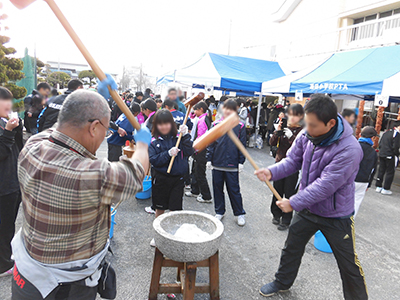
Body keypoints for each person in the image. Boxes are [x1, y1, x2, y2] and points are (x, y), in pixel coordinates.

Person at [13, 89, 151, 300]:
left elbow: (57, 130)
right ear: (94, 127)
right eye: (106, 130)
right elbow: (136, 173)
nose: (106, 135)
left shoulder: (32, 146)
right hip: (65, 286)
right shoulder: (90, 175)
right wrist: (142, 144)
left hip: (27, 274)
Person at [255, 94, 367, 299]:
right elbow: (292, 161)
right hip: (308, 209)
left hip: (336, 215)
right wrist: (271, 171)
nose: (308, 129)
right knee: (291, 248)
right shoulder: (307, 134)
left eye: (313, 125)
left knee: (348, 263)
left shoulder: (350, 148)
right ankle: (282, 282)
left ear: (331, 123)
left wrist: (294, 202)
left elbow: (326, 186)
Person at [148, 109, 193, 246]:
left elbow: (190, 151)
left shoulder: (178, 138)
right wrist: (167, 154)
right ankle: (159, 236)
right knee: (160, 209)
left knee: (174, 210)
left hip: (177, 180)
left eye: (166, 123)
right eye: (160, 124)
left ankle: (173, 236)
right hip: (160, 180)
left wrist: (185, 136)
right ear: (156, 126)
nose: (164, 127)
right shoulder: (154, 142)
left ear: (171, 124)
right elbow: (154, 160)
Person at [207, 100, 246, 226]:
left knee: (234, 190)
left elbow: (242, 146)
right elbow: (211, 143)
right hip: (217, 162)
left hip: (232, 164)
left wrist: (241, 161)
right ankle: (219, 211)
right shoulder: (216, 124)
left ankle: (239, 213)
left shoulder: (240, 126)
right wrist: (209, 159)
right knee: (217, 188)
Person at [268, 104, 304, 230]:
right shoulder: (283, 126)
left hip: (293, 166)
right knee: (277, 190)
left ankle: (286, 219)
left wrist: (291, 137)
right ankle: (276, 214)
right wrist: (277, 132)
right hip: (279, 163)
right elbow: (271, 143)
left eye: (295, 115)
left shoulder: (302, 131)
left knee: (289, 193)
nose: (292, 118)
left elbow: (301, 148)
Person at [0, 87, 23, 278]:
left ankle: (5, 257)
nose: (9, 104)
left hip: (12, 182)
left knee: (8, 224)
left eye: (10, 100)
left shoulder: (4, 122)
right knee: (4, 226)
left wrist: (17, 129)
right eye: (4, 100)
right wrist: (8, 132)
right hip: (3, 186)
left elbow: (18, 149)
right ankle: (3, 264)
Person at [185, 101, 212, 203]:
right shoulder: (203, 118)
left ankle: (206, 196)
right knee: (195, 171)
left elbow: (201, 136)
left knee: (200, 173)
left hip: (201, 150)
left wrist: (195, 148)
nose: (194, 112)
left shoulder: (202, 120)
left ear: (201, 109)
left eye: (195, 110)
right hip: (200, 149)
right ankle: (195, 190)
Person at [354, 126, 378, 217]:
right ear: (372, 138)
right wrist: (369, 184)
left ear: (360, 135)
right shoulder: (373, 152)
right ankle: (349, 224)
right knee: (356, 203)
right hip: (363, 182)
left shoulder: (353, 147)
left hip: (349, 179)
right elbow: (373, 170)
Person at [375, 120, 400, 195]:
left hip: (382, 153)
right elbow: (396, 146)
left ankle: (378, 186)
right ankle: (386, 188)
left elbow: (381, 143)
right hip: (390, 155)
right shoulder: (397, 134)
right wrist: (397, 154)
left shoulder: (386, 132)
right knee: (390, 172)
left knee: (381, 170)